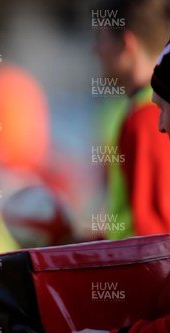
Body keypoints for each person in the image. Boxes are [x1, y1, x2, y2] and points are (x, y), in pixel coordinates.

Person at [40, 40, 170, 333]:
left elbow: (154, 244)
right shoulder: (125, 110)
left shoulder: (140, 119)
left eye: (166, 109)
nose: (161, 126)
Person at [93, 0, 170, 239]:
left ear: (126, 44)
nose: (95, 50)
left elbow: (156, 236)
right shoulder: (138, 110)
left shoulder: (146, 118)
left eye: (100, 38)